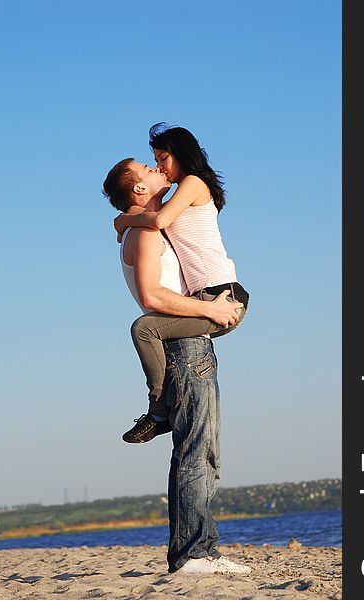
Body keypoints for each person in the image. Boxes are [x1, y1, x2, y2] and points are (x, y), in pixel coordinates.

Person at [102, 159, 251, 574]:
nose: (157, 168)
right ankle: (194, 554)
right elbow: (153, 296)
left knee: (201, 450)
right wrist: (211, 309)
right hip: (184, 347)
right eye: (147, 168)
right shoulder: (146, 233)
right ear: (137, 189)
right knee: (196, 452)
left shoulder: (140, 225)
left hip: (186, 342)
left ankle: (195, 549)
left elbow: (130, 222)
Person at [113, 124, 249, 444]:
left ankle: (158, 411)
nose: (160, 166)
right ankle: (160, 410)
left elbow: (159, 221)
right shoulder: (179, 193)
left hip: (222, 295)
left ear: (180, 154)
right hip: (207, 296)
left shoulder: (192, 182)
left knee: (144, 329)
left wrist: (123, 220)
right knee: (148, 329)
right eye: (155, 160)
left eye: (162, 157)